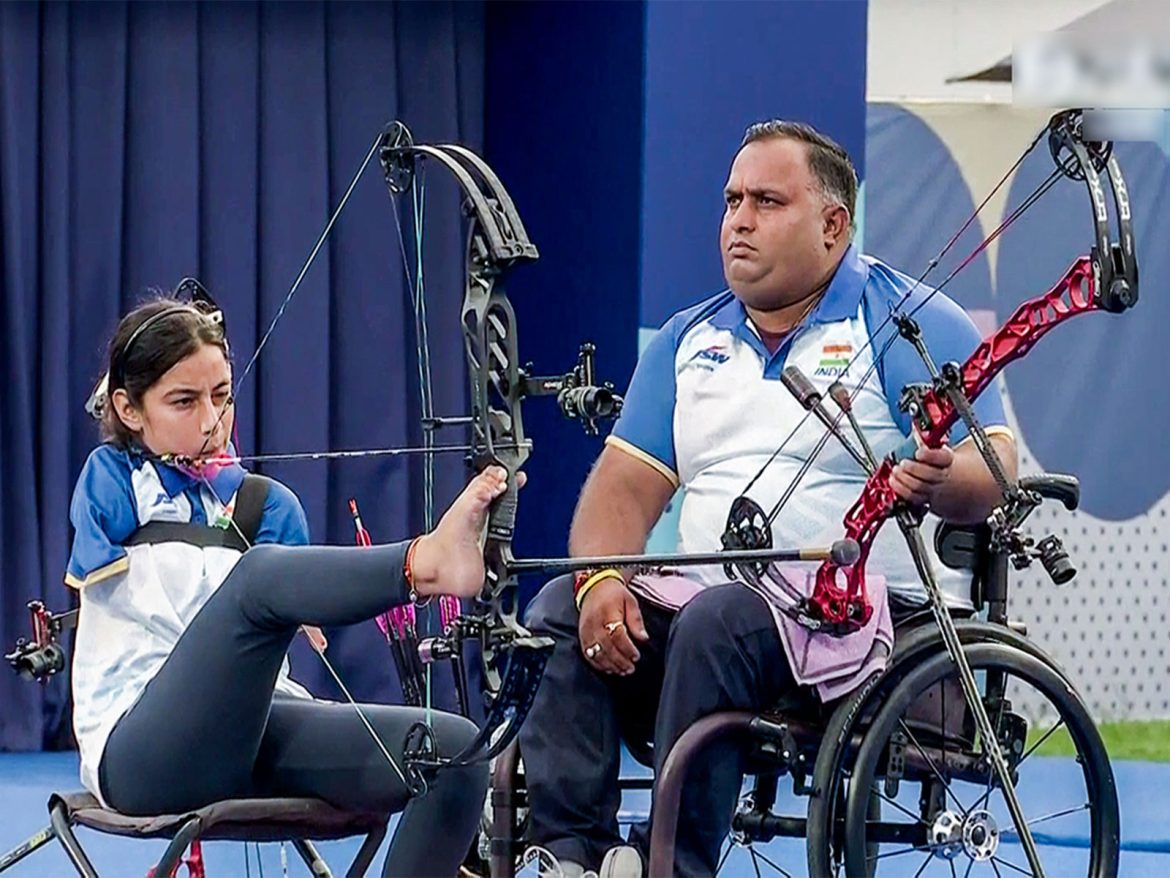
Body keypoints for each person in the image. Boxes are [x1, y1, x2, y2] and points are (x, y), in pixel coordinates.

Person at [517, 120, 1019, 877]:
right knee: (558, 607)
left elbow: (1000, 463)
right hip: (716, 619)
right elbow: (620, 490)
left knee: (719, 621)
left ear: (833, 223)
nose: (738, 220)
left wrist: (947, 478)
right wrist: (601, 581)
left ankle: (669, 865)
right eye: (731, 200)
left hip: (862, 623)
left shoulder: (903, 321)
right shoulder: (687, 341)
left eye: (766, 201)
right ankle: (568, 859)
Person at [68, 292, 508, 877]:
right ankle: (425, 563)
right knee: (260, 577)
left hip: (252, 730)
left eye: (222, 398)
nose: (210, 423)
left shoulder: (261, 503)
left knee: (456, 750)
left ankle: (426, 565)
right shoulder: (114, 485)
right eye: (183, 402)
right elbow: (251, 588)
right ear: (128, 409)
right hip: (140, 753)